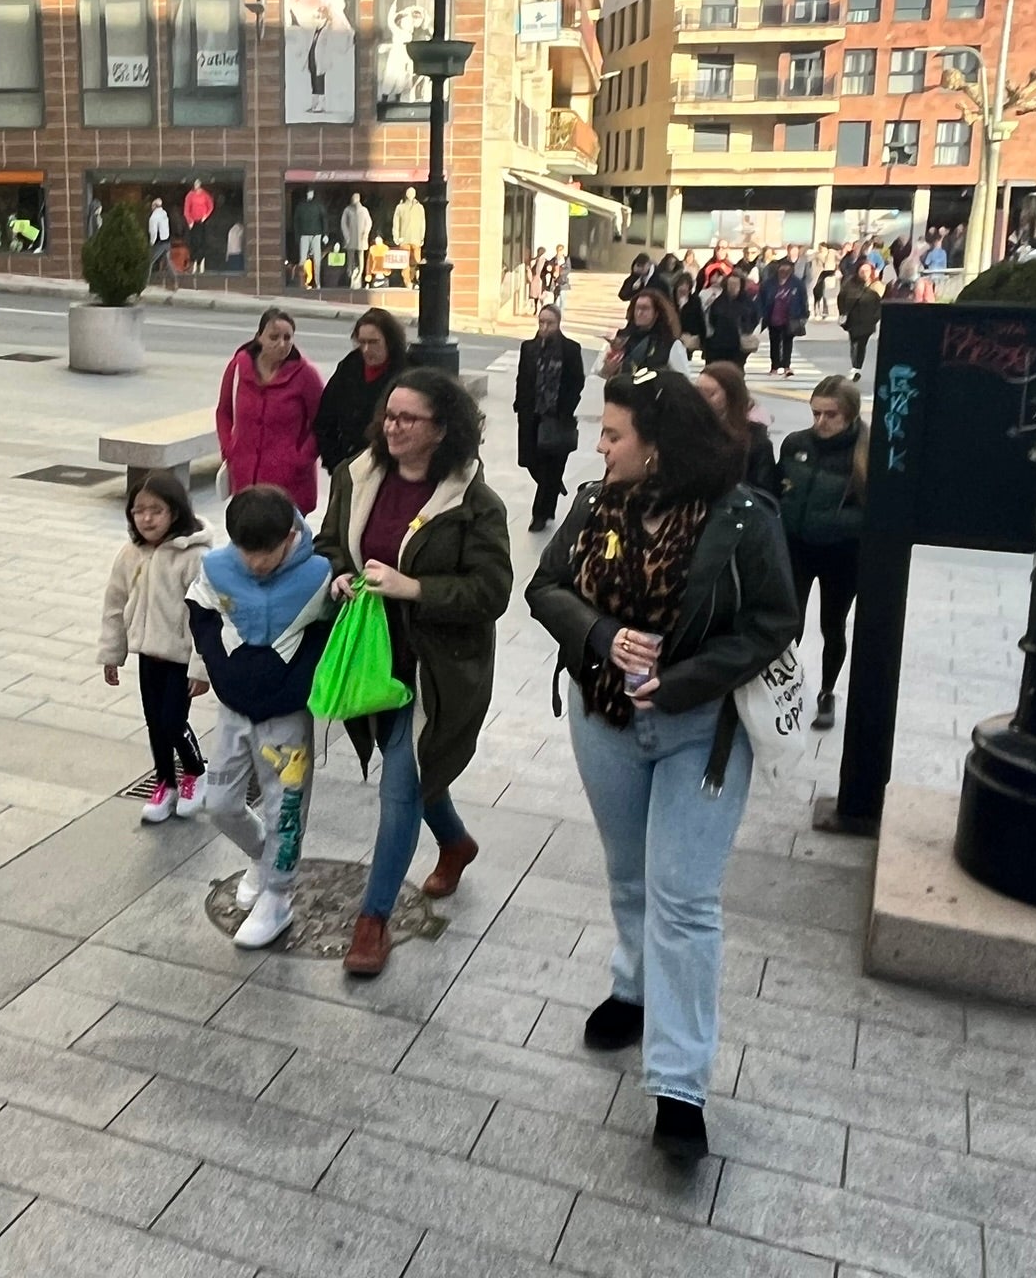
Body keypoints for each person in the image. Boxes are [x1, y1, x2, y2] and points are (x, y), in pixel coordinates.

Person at [525, 370, 798, 1163]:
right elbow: (545, 587)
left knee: (685, 898)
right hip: (603, 719)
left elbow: (774, 621)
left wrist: (679, 682)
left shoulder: (744, 518)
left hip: (701, 730)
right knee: (629, 877)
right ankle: (633, 988)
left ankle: (679, 1085)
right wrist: (601, 633)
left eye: (613, 435)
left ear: (658, 447)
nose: (599, 446)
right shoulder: (594, 503)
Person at [317, 369, 513, 976]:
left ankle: (372, 920)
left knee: (399, 785)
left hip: (436, 670)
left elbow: (492, 590)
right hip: (371, 656)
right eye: (389, 416)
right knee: (418, 772)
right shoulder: (357, 476)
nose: (393, 427)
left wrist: (414, 587)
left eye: (408, 419)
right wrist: (338, 575)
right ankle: (455, 842)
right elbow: (328, 543)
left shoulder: (475, 503)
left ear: (442, 429)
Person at [185, 485, 334, 948]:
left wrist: (302, 682)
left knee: (285, 807)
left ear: (290, 536)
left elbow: (329, 630)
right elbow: (200, 609)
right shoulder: (218, 567)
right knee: (221, 803)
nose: (254, 563)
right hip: (234, 707)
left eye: (264, 553)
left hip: (286, 715)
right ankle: (264, 857)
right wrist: (218, 669)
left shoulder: (318, 575)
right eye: (245, 551)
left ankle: (278, 895)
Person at [100, 471, 213, 824]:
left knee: (172, 721)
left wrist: (201, 666)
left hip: (180, 658)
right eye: (138, 511)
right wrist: (112, 653)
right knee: (154, 724)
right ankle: (165, 781)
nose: (146, 518)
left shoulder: (194, 557)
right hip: (148, 656)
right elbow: (114, 604)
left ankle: (195, 771)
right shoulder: (131, 554)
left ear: (175, 512)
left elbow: (208, 615)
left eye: (156, 510)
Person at [779, 378, 868, 733]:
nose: (821, 422)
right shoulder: (796, 443)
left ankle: (827, 692)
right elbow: (778, 487)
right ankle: (783, 690)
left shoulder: (864, 452)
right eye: (815, 413)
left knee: (832, 625)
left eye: (830, 415)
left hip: (842, 554)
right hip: (798, 547)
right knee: (789, 623)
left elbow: (876, 512)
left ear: (849, 415)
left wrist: (836, 520)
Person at [215, 308, 325, 513]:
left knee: (285, 540)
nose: (281, 344)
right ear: (259, 338)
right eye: (274, 337)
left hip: (289, 482)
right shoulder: (238, 366)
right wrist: (229, 449)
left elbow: (323, 422)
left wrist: (300, 458)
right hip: (245, 477)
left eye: (287, 337)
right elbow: (223, 412)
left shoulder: (306, 375)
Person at [314, 307, 408, 476]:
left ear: (389, 341)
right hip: (348, 465)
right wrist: (335, 462)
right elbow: (325, 418)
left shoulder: (406, 372)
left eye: (373, 342)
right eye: (361, 342)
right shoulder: (350, 366)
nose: (366, 349)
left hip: (389, 470)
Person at [518, 306, 586, 531]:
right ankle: (553, 485)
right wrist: (520, 405)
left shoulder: (570, 349)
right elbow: (523, 378)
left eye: (550, 323)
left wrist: (567, 407)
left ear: (558, 324)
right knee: (531, 461)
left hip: (558, 416)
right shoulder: (528, 348)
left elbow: (577, 380)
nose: (545, 327)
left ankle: (540, 514)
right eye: (541, 322)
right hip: (532, 415)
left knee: (552, 466)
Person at [693, 361, 779, 497]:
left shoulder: (755, 441)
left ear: (731, 395)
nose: (701, 399)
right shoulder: (690, 429)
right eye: (698, 391)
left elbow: (762, 491)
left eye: (710, 393)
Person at [615, 288, 693, 377]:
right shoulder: (624, 339)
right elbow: (599, 373)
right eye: (637, 308)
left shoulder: (670, 344)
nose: (639, 313)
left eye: (645, 308)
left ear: (657, 313)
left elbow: (685, 379)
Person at [758, 256, 809, 378]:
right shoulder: (769, 283)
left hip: (790, 317)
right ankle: (774, 366)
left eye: (787, 268)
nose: (784, 271)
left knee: (788, 342)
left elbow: (803, 300)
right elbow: (762, 299)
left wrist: (804, 314)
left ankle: (786, 366)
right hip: (773, 316)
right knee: (774, 342)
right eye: (782, 268)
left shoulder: (797, 284)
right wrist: (760, 314)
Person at [702, 272, 761, 370]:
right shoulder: (719, 301)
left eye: (736, 285)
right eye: (730, 284)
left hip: (738, 346)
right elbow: (712, 319)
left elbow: (754, 319)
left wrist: (745, 330)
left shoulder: (747, 303)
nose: (733, 287)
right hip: (719, 345)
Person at [841, 264, 883, 380]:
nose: (864, 273)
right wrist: (843, 313)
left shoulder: (876, 285)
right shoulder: (850, 284)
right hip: (853, 320)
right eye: (862, 270)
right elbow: (842, 297)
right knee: (854, 344)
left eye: (867, 270)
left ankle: (857, 368)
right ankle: (855, 365)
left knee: (861, 345)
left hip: (867, 321)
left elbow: (880, 304)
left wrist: (875, 318)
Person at [291, 190, 327, 287]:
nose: (309, 194)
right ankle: (304, 282)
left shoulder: (315, 205)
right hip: (308, 234)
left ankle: (316, 282)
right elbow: (296, 221)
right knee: (305, 260)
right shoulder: (304, 205)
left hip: (314, 235)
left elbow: (324, 219)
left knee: (315, 260)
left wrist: (325, 233)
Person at [673, 274, 707, 359]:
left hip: (691, 338)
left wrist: (699, 338)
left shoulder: (695, 301)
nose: (683, 288)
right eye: (681, 285)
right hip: (674, 339)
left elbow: (700, 321)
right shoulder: (670, 301)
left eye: (686, 286)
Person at [392, 189, 425, 273]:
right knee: (405, 263)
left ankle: (414, 279)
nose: (410, 194)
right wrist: (396, 237)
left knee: (416, 261)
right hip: (404, 238)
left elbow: (422, 222)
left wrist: (422, 237)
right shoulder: (400, 207)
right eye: (409, 193)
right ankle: (408, 282)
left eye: (412, 193)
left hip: (416, 238)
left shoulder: (419, 207)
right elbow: (396, 223)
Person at [148, 198, 174, 287]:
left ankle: (144, 282)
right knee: (167, 262)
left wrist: (151, 243)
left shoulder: (153, 217)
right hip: (167, 241)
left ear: (154, 206)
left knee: (149, 261)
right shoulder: (164, 214)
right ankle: (174, 280)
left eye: (152, 205)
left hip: (159, 242)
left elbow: (154, 231)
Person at [341, 194, 373, 263]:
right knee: (350, 255)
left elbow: (368, 223)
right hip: (351, 236)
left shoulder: (364, 210)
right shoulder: (347, 210)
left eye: (355, 198)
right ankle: (350, 270)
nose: (354, 199)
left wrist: (365, 233)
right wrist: (346, 235)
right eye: (353, 198)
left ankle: (360, 272)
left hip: (360, 236)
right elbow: (343, 223)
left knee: (360, 255)